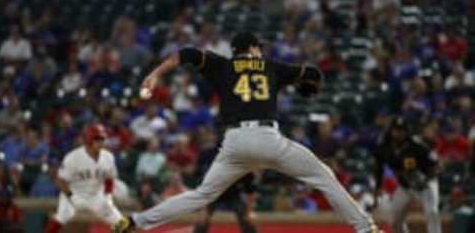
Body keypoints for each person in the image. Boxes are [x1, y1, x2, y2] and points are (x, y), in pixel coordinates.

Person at [113, 31, 383, 233]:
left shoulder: (223, 65)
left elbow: (187, 54)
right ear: (253, 48)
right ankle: (365, 228)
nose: (260, 51)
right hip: (267, 138)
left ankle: (135, 223)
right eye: (258, 47)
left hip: (234, 143)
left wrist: (156, 74)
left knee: (201, 196)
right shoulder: (271, 66)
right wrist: (308, 87)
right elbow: (312, 73)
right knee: (323, 176)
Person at [45, 124, 123, 233]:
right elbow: (60, 180)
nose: (101, 141)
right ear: (89, 140)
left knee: (122, 223)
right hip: (73, 193)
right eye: (97, 139)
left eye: (102, 138)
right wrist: (71, 196)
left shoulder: (108, 157)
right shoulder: (73, 157)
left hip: (96, 195)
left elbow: (109, 178)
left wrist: (108, 196)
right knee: (61, 217)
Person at [373, 116, 441, 233]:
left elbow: (435, 164)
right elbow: (378, 166)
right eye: (396, 130)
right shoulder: (385, 146)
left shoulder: (417, 145)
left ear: (406, 131)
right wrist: (378, 186)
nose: (399, 133)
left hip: (425, 185)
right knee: (395, 219)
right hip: (405, 187)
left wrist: (427, 179)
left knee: (432, 212)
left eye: (402, 130)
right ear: (391, 130)